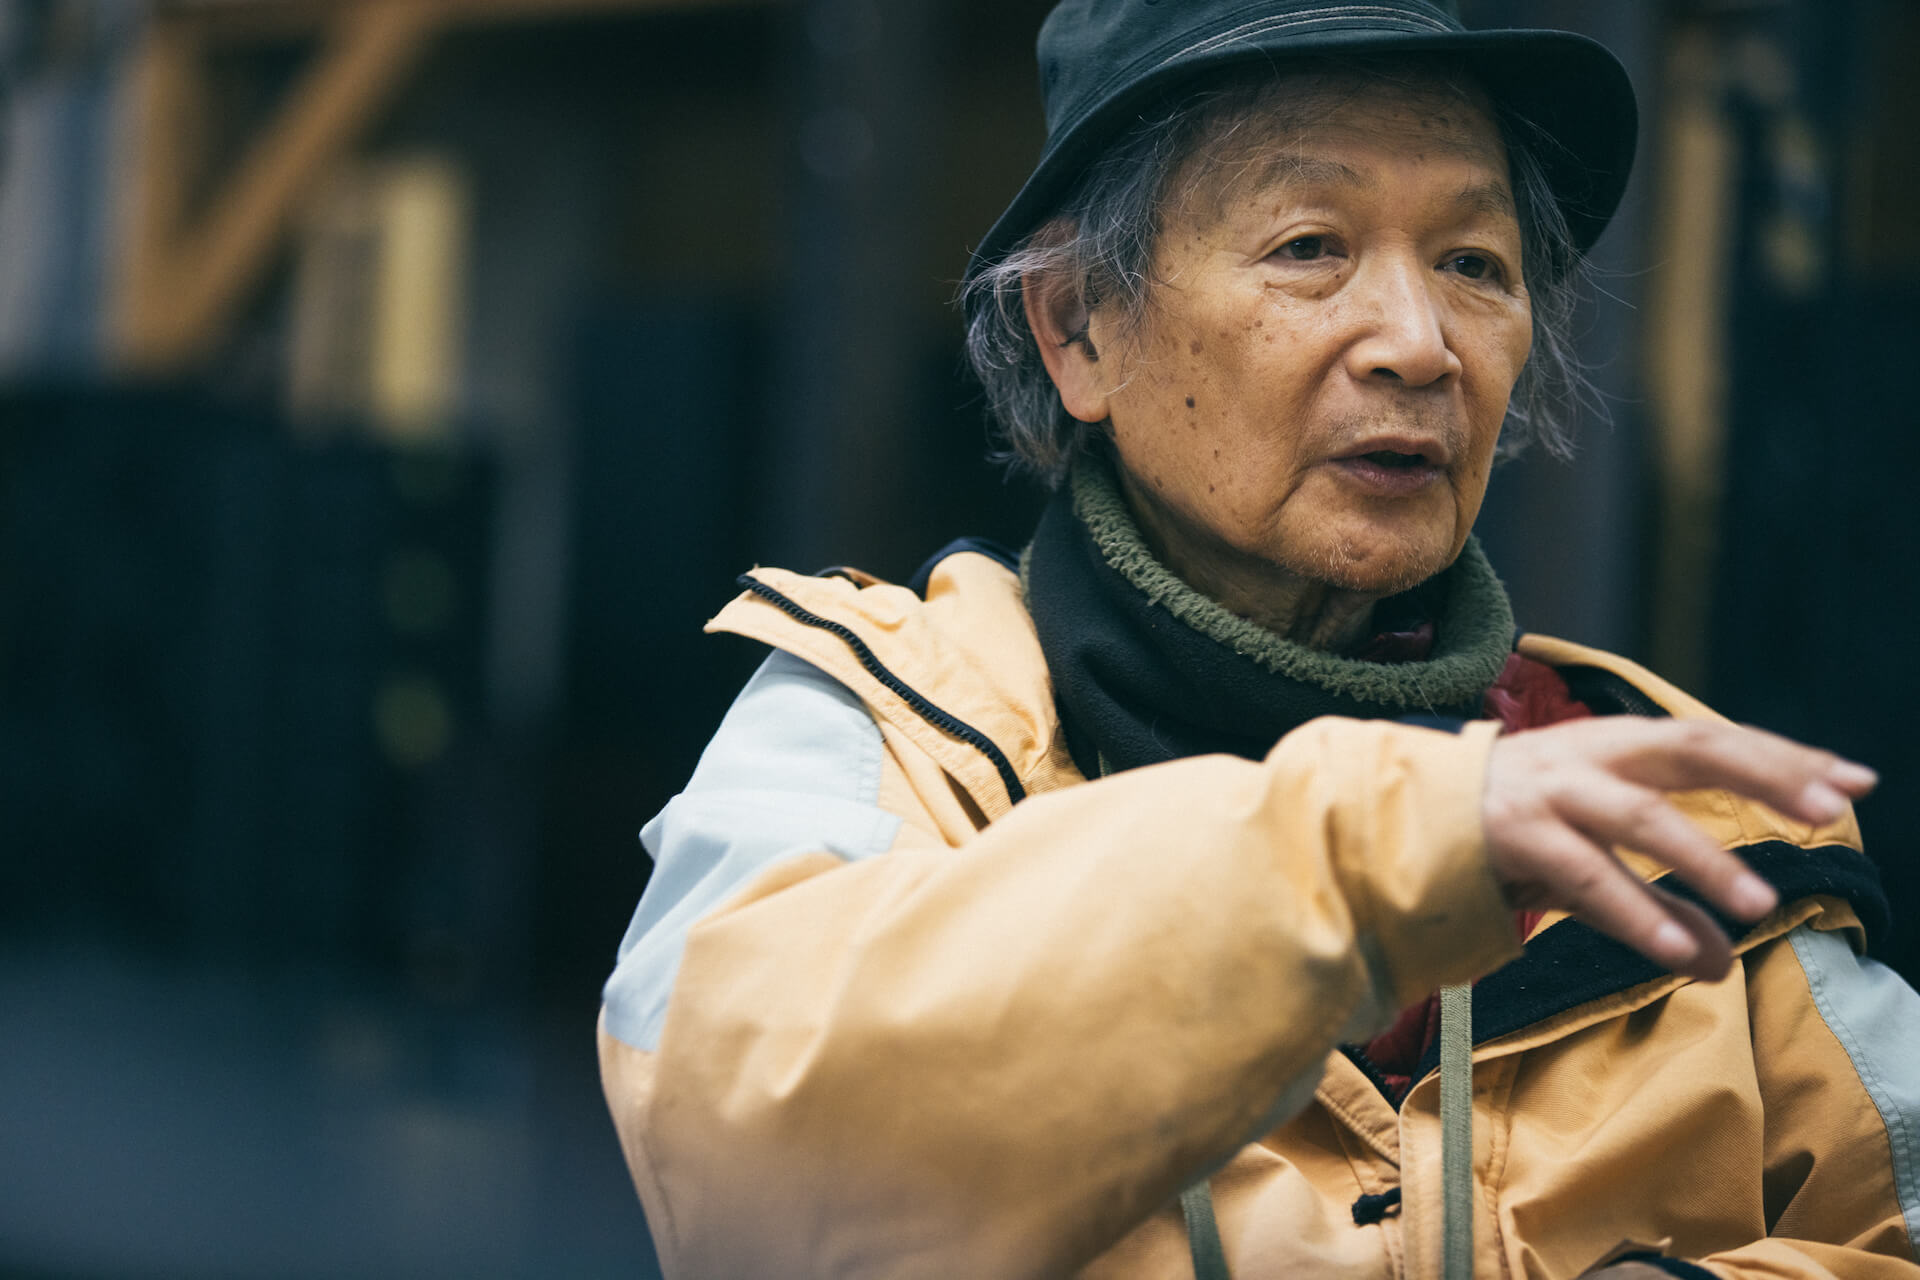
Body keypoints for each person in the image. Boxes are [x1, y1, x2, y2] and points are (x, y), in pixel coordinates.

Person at [598, 2, 1920, 1276]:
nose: (1419, 344)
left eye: (1473, 263)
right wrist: (1375, 853)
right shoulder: (885, 732)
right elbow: (750, 1180)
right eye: (1309, 246)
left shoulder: (1677, 808)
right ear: (1077, 329)